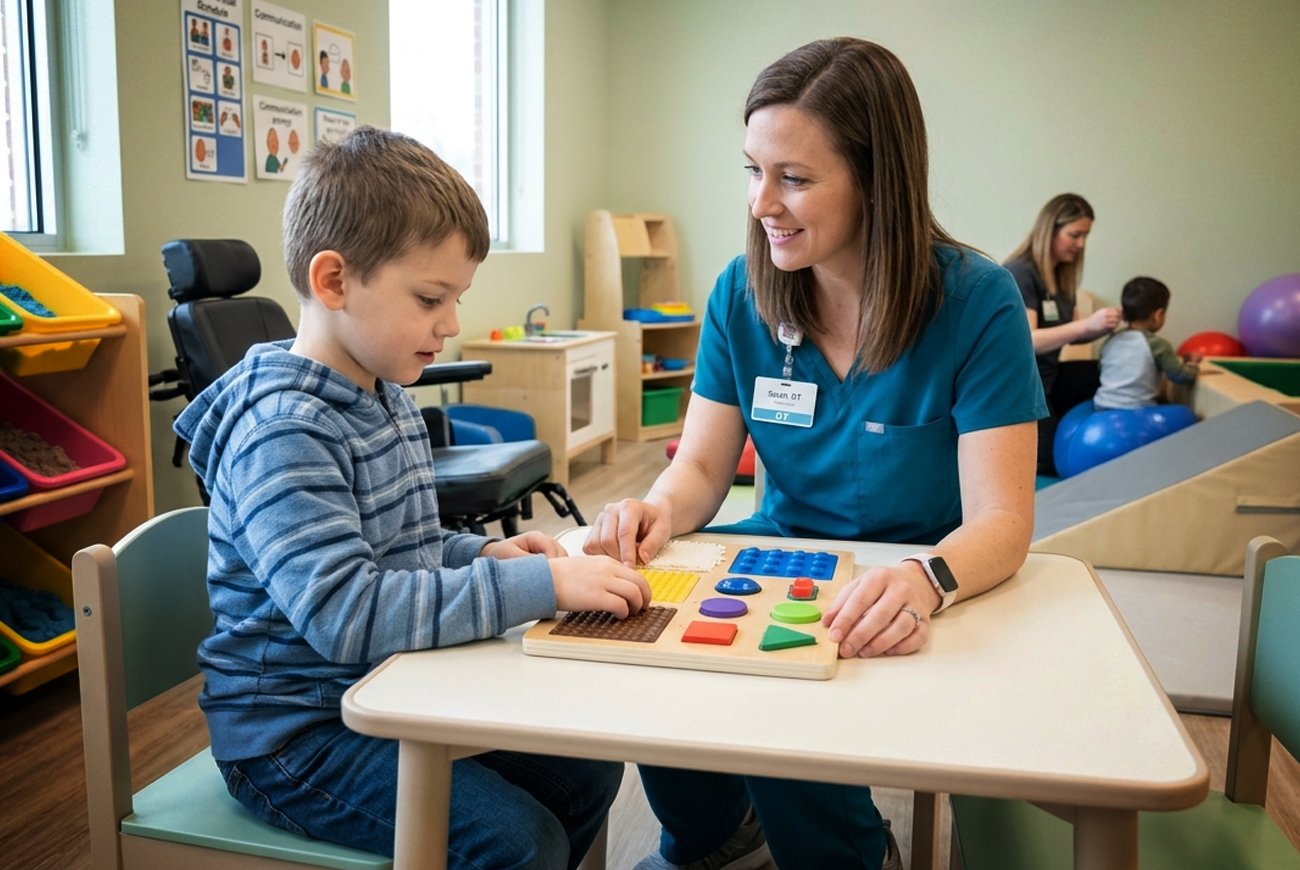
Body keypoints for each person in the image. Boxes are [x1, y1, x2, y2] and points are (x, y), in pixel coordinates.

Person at [583, 38, 1045, 870]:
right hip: (786, 546)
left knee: (783, 686)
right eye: (753, 169)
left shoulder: (977, 302)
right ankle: (714, 841)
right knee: (659, 646)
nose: (764, 202)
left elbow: (1005, 520)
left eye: (794, 178)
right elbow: (700, 467)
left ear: (878, 179)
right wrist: (656, 508)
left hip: (928, 573)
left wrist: (920, 580)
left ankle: (850, 859)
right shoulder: (741, 291)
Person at [174, 126, 651, 868]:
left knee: (586, 773)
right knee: (517, 843)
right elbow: (349, 612)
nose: (451, 323)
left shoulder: (383, 389)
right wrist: (536, 583)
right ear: (333, 282)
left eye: (456, 298)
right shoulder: (284, 433)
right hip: (295, 735)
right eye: (431, 297)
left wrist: (484, 550)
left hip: (382, 690)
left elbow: (401, 548)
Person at [1004, 192, 1122, 475]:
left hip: (1050, 376)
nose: (1080, 245)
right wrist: (1086, 325)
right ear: (1051, 229)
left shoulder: (1060, 276)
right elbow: (1027, 341)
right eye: (1074, 235)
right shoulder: (1021, 273)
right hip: (1022, 389)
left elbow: (1072, 335)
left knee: (1104, 371)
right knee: (1047, 464)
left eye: (1085, 236)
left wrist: (1102, 325)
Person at [1093, 276, 1200, 409]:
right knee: (1185, 413)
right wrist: (1193, 365)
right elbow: (1179, 376)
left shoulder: (1110, 340)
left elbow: (1102, 369)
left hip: (1102, 406)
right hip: (1138, 410)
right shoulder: (1158, 345)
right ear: (1158, 315)